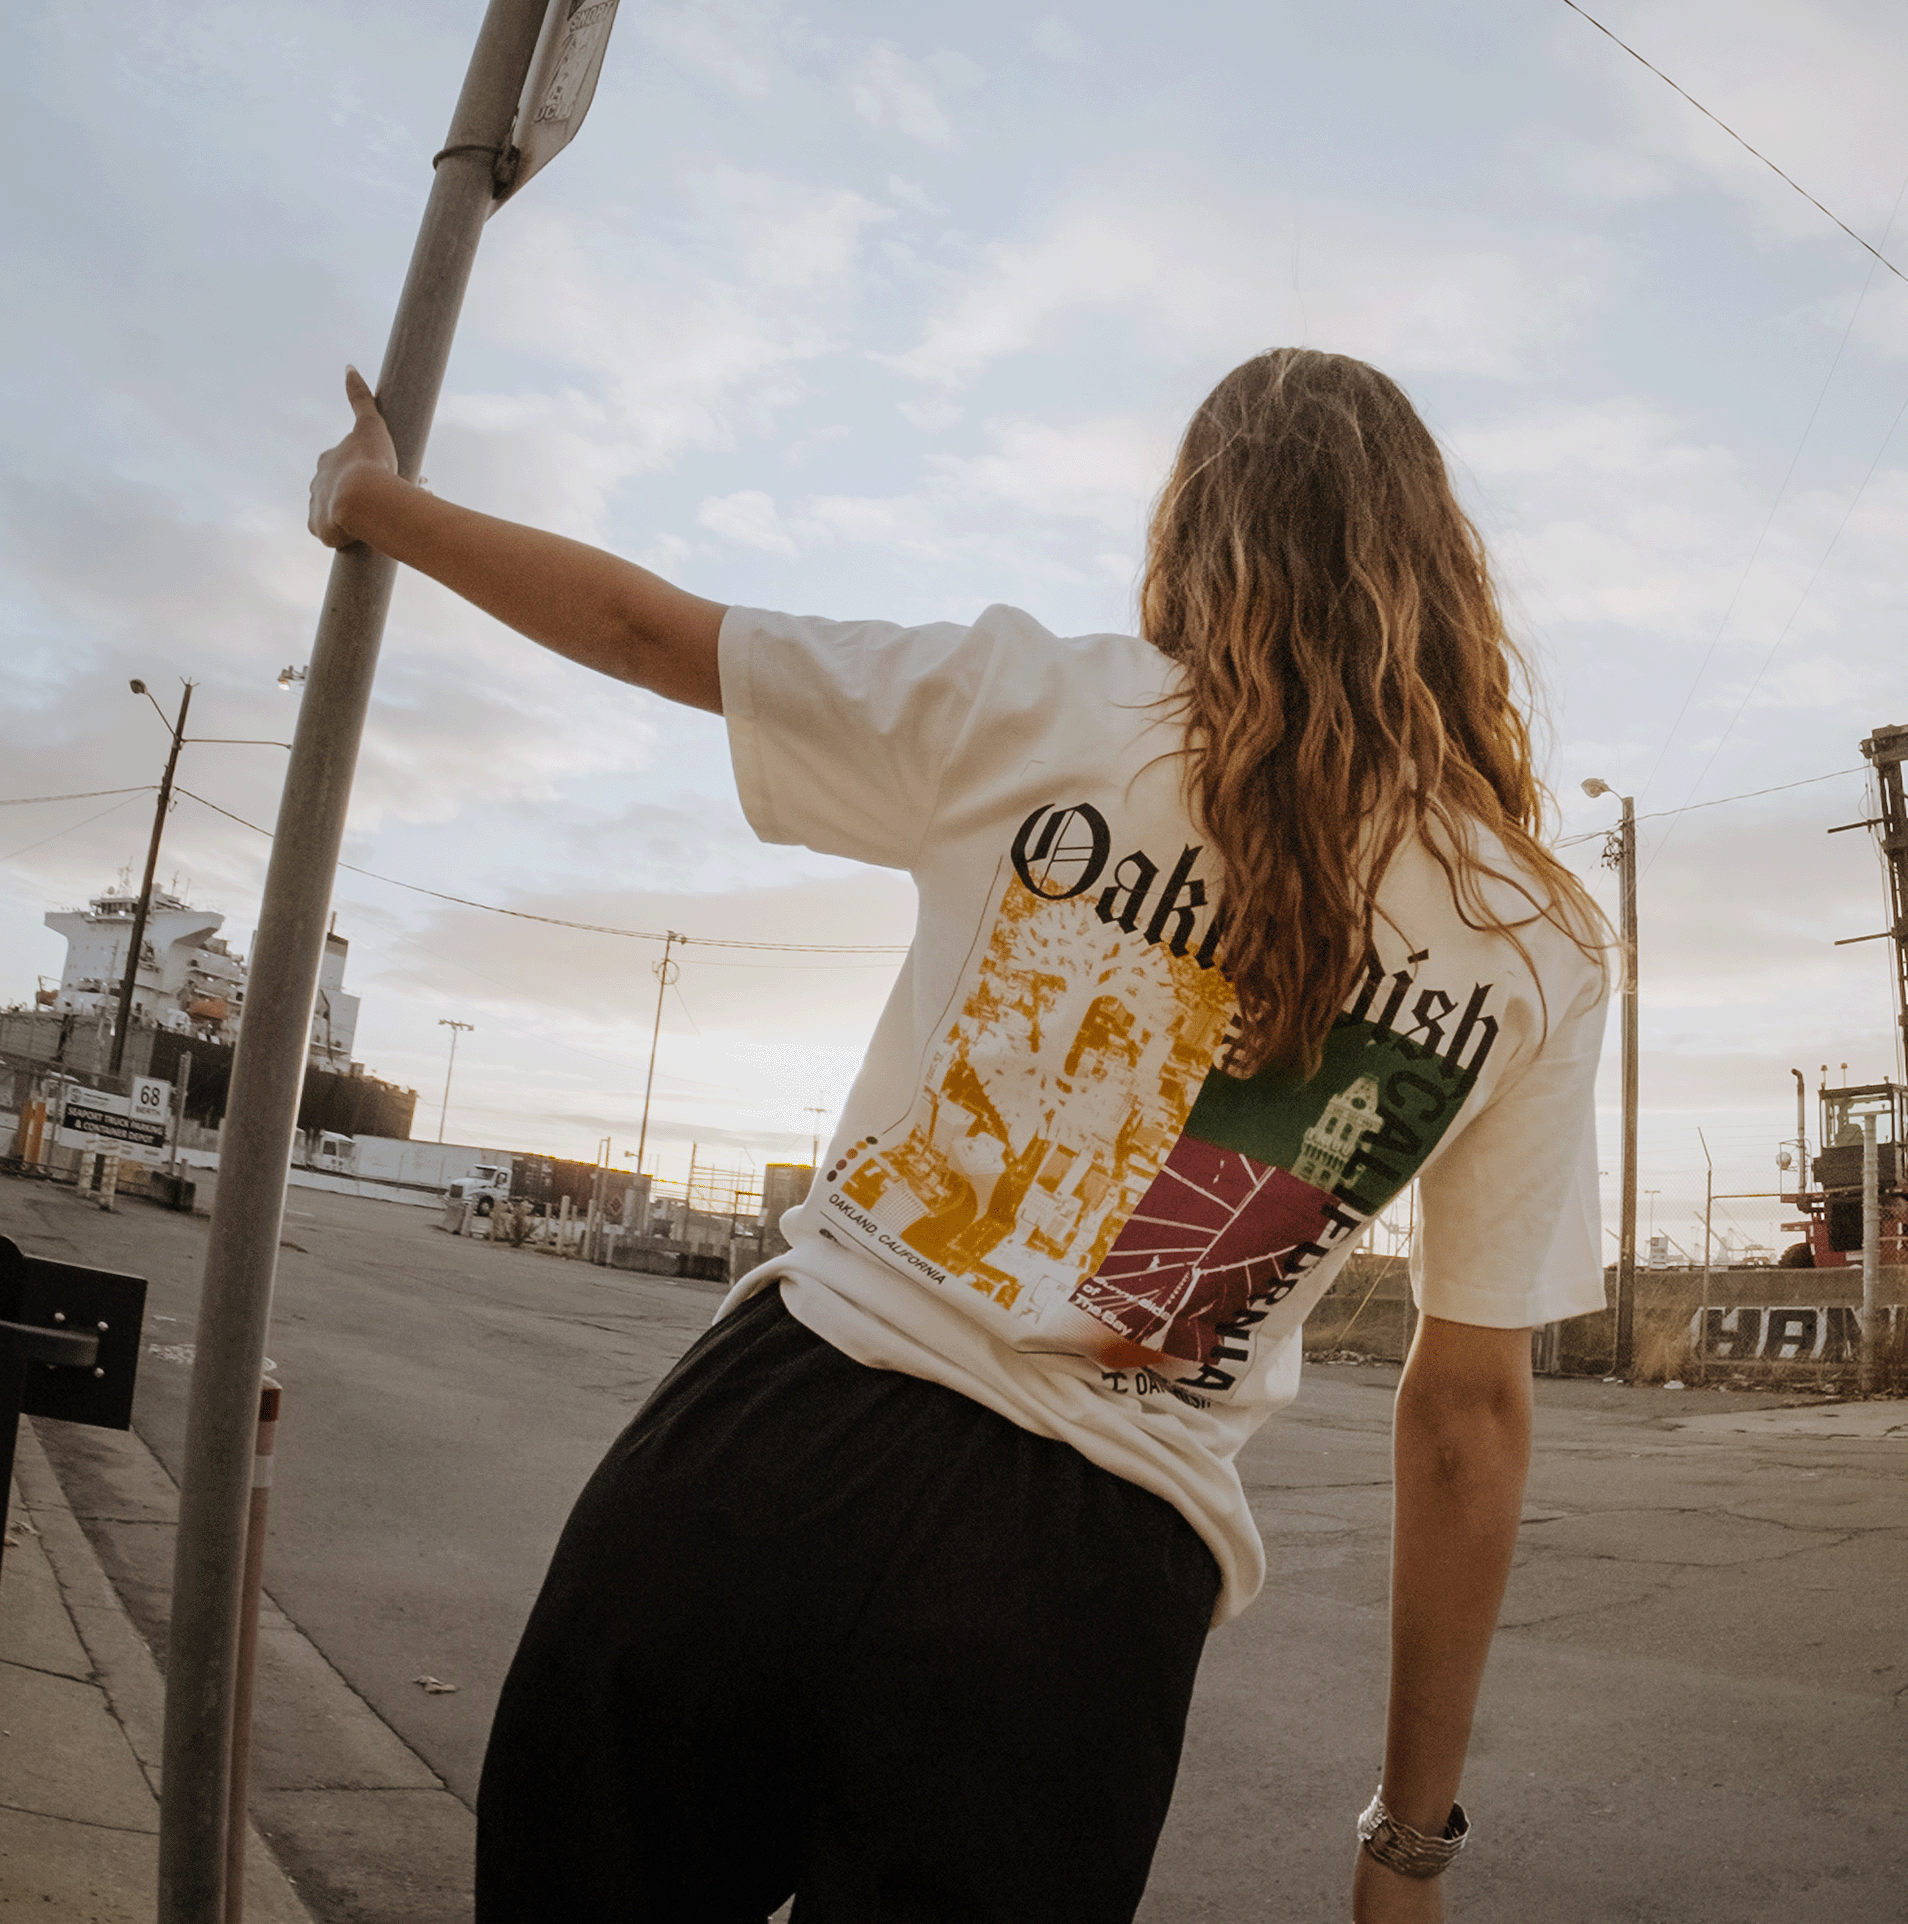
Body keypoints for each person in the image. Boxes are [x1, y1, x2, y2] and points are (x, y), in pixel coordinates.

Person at [310, 347, 1609, 1923]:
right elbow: (1467, 1416)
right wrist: (1406, 1847)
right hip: (1086, 1597)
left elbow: (648, 630)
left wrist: (374, 499)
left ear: (1192, 526)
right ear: (1440, 566)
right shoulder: (1531, 939)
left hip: (763, 1457)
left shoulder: (1037, 703)